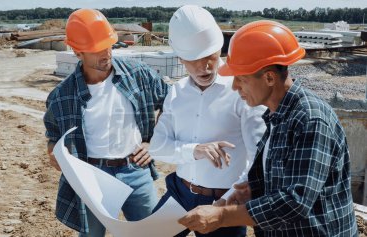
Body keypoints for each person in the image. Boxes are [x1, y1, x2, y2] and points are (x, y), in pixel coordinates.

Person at [178, 20, 358, 237]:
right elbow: (287, 179)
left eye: (240, 79)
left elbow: (296, 201)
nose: (235, 87)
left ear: (269, 77)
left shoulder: (311, 120)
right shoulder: (277, 114)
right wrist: (256, 191)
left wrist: (223, 216)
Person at [43, 9, 169, 237]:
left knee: (151, 233)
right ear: (77, 51)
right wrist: (54, 154)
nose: (106, 53)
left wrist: (154, 142)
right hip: (92, 177)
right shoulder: (62, 95)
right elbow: (53, 136)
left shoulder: (138, 74)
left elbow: (171, 103)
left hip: (135, 170)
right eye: (97, 49)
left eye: (108, 45)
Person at [148, 5, 266, 237]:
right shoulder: (176, 92)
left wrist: (224, 205)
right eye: (195, 60)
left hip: (222, 199)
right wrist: (196, 150)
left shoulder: (242, 91)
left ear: (219, 49)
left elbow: (258, 158)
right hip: (179, 193)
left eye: (210, 57)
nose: (205, 67)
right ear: (180, 58)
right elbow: (157, 148)